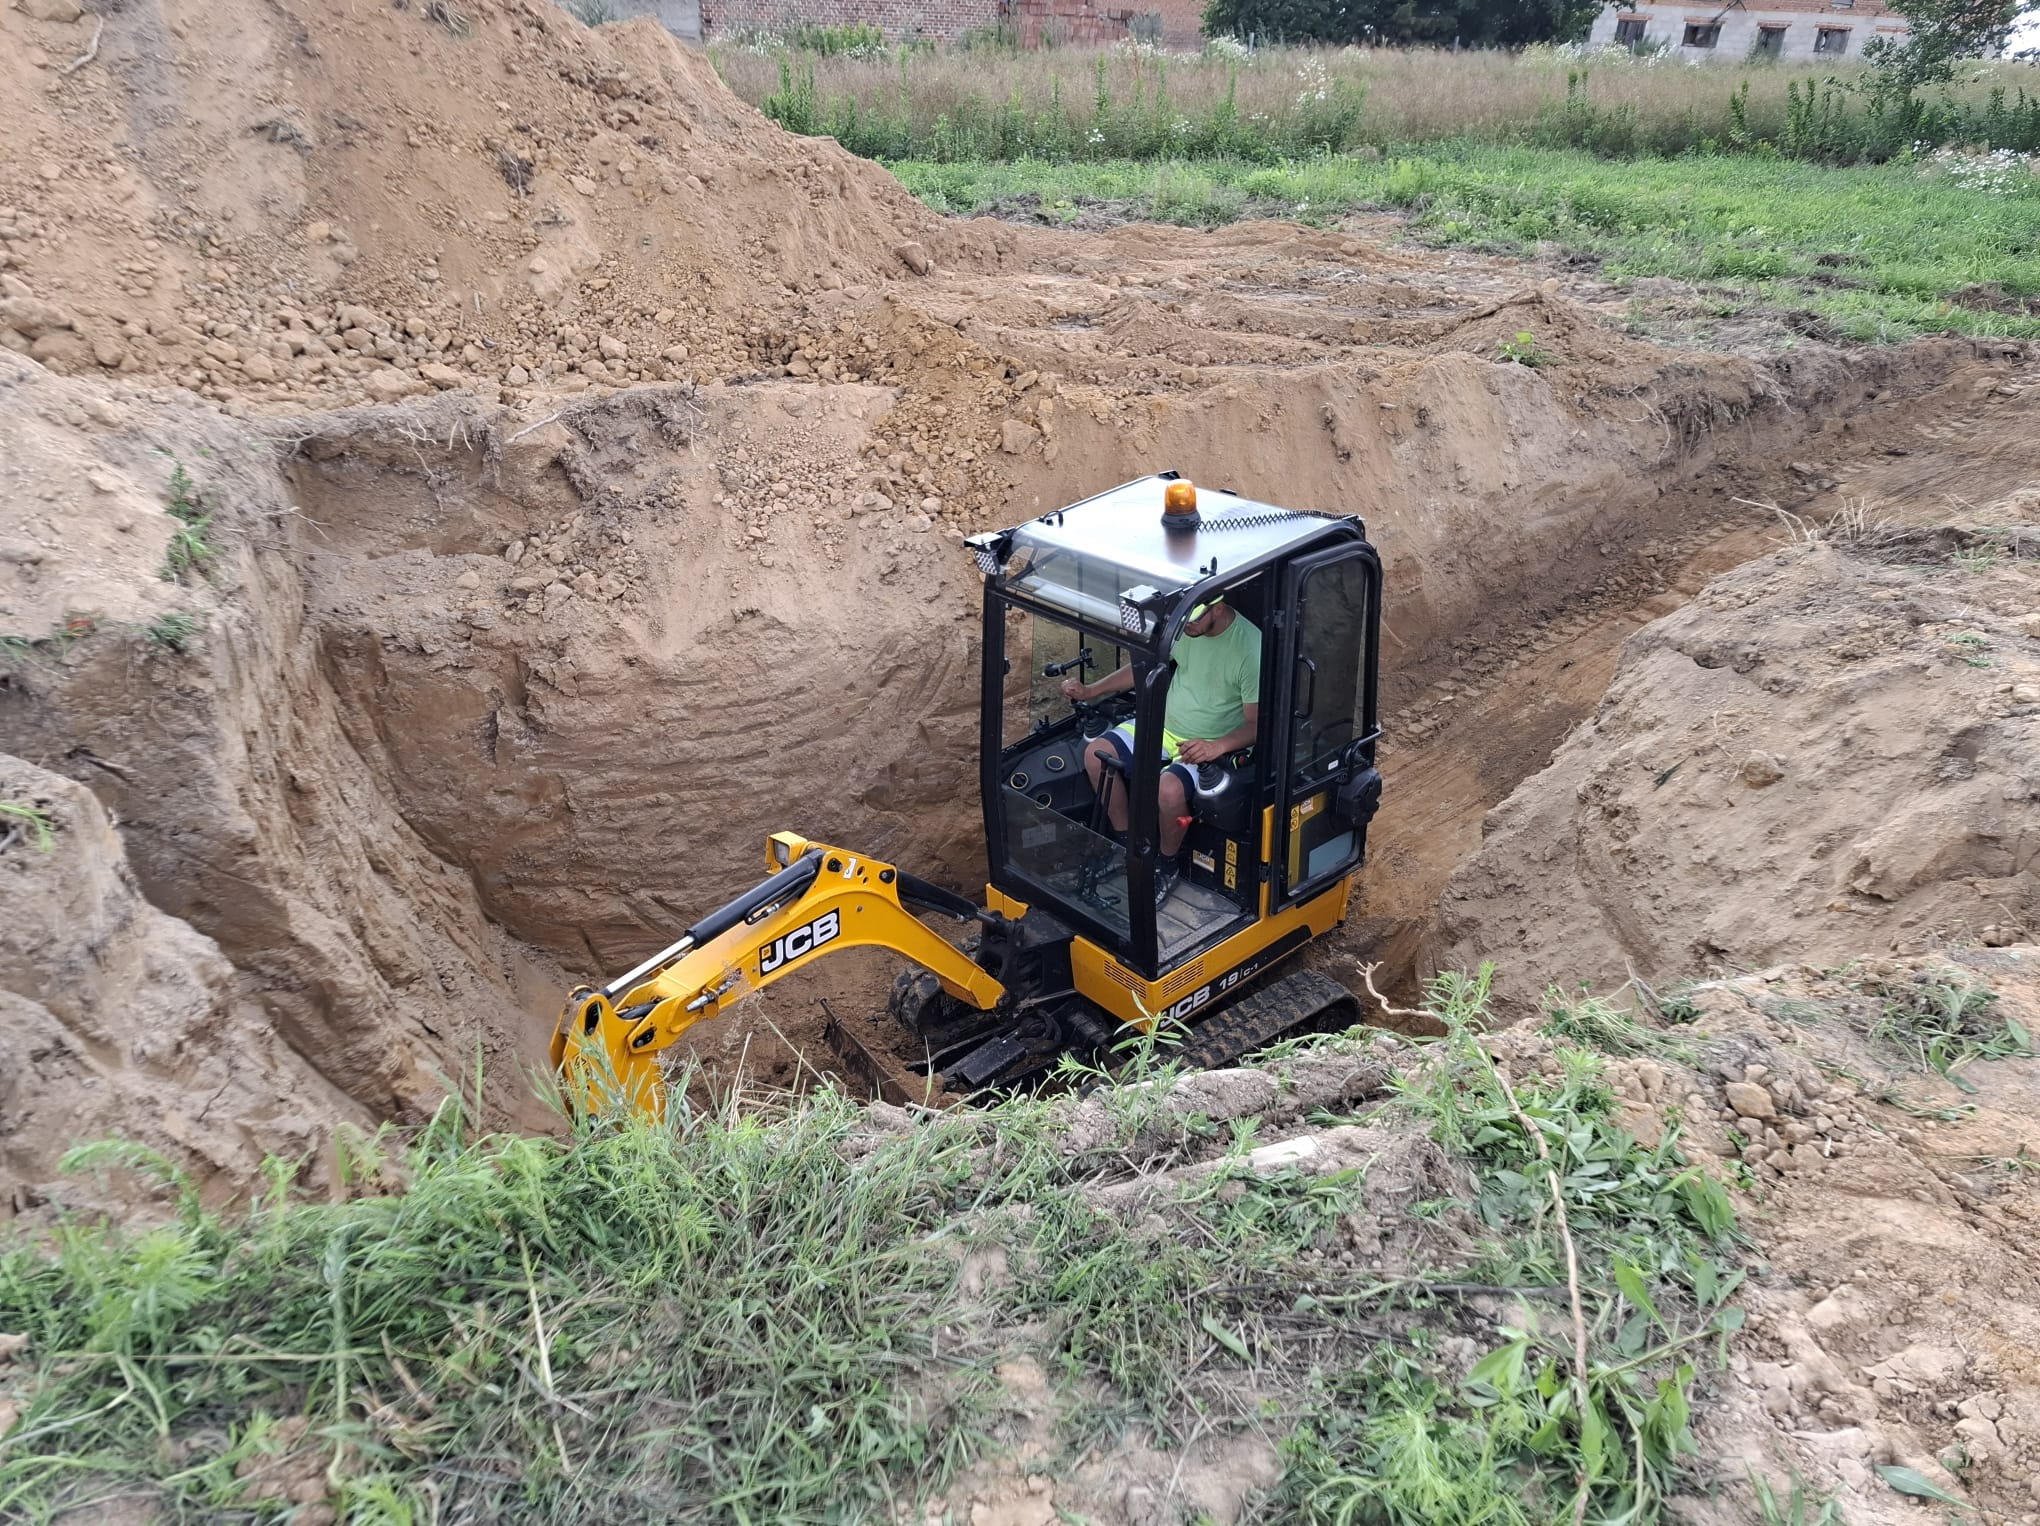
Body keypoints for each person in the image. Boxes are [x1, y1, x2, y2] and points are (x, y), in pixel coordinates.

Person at [1061, 596, 1261, 904]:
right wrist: (1092, 691)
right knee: (1095, 754)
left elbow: (1255, 724)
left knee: (1168, 791)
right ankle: (1128, 846)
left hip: (1207, 743)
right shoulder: (1186, 627)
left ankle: (1166, 864)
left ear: (1218, 608)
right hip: (1165, 726)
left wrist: (1215, 747)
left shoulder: (1250, 649)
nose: (1186, 626)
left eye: (1193, 619)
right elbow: (1144, 668)